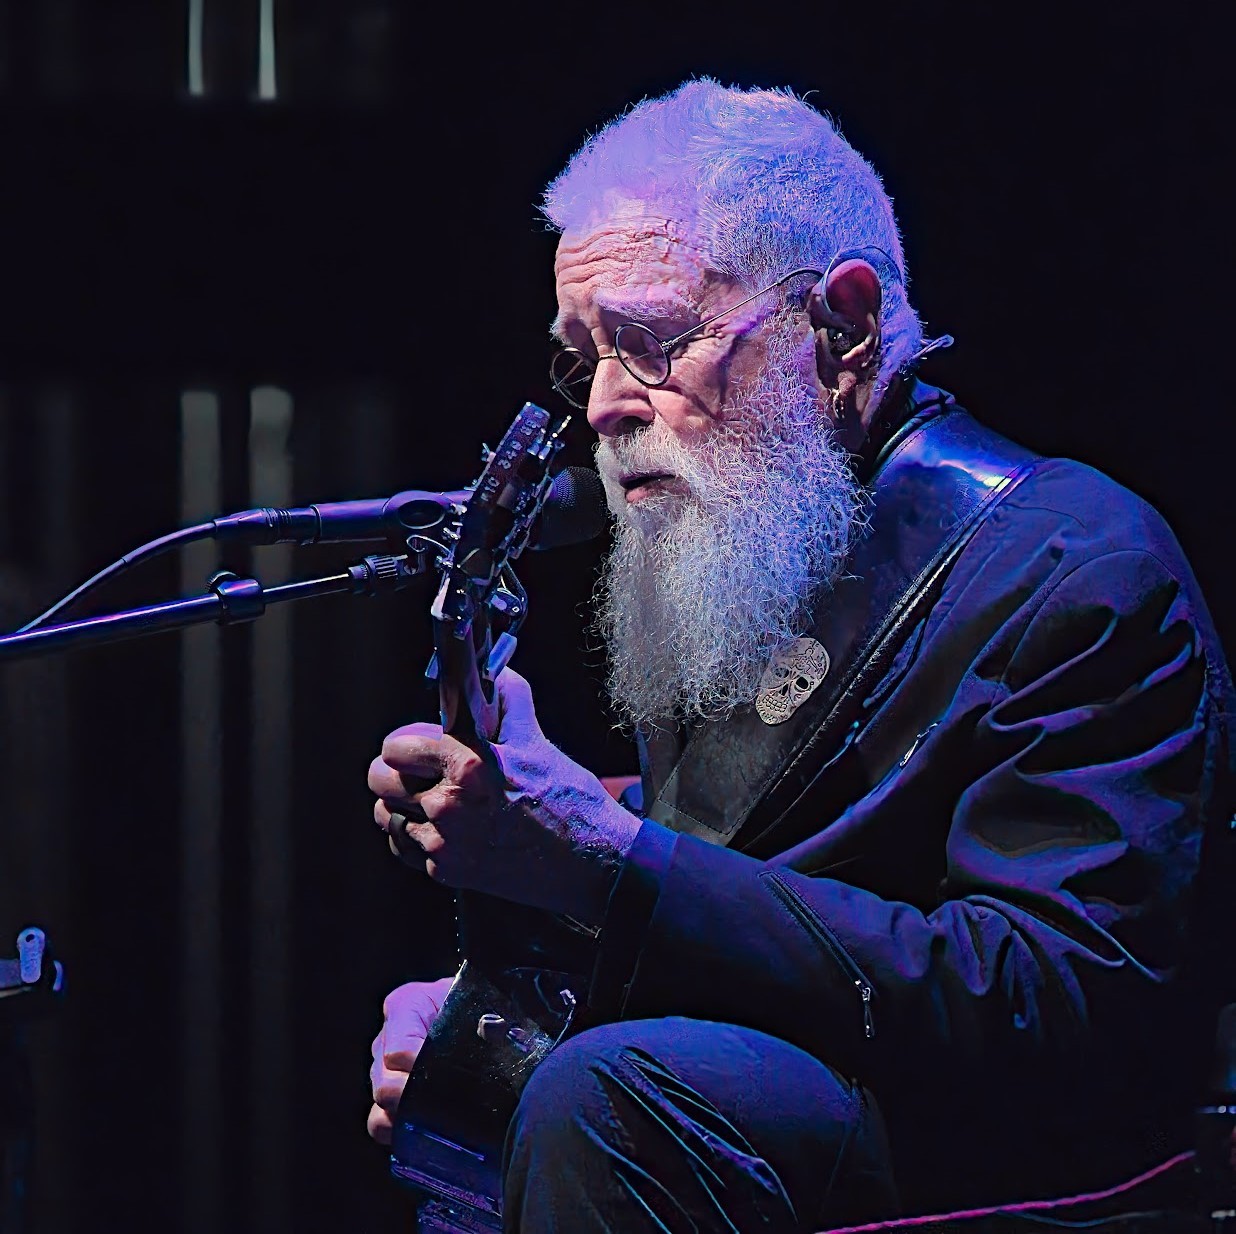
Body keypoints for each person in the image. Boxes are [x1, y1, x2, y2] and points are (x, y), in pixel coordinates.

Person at [365, 79, 1234, 1231]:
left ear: (844, 328)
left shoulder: (1075, 565)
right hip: (802, 1119)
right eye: (586, 359)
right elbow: (749, 909)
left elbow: (1056, 1001)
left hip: (1013, 1171)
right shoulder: (754, 551)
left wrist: (608, 860)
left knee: (609, 1102)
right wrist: (505, 1008)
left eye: (657, 341)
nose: (608, 408)